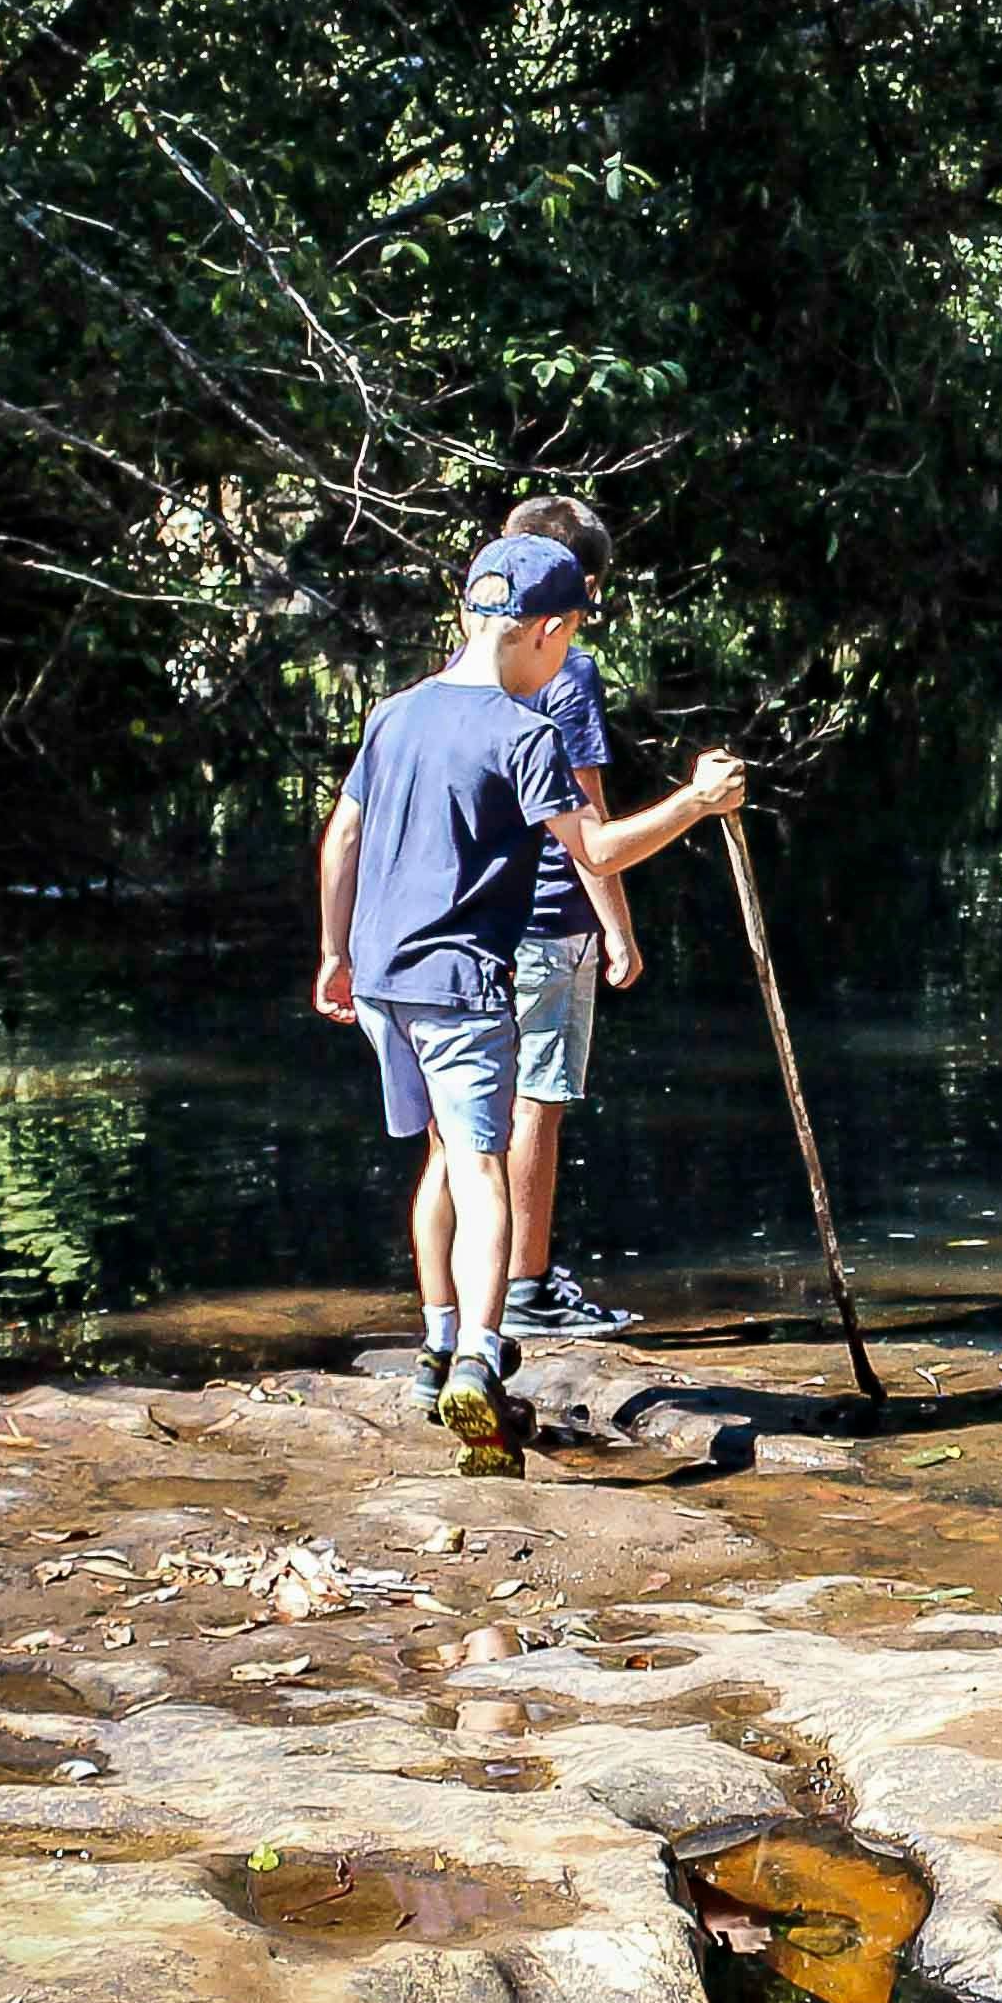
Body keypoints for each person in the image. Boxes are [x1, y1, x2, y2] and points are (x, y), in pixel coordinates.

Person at [315, 534, 745, 1468]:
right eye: (570, 636)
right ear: (547, 631)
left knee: (435, 1159)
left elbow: (342, 836)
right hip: (463, 980)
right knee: (484, 1168)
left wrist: (333, 951)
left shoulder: (395, 713)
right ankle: (478, 1356)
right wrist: (696, 803)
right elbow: (593, 850)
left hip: (384, 977)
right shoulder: (525, 733)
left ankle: (434, 1345)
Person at [497, 492, 640, 1340]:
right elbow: (589, 823)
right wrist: (617, 930)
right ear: (580, 587)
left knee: (471, 1115)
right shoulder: (567, 670)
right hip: (550, 916)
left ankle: (464, 1299)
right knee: (538, 1102)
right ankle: (529, 1285)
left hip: (474, 920)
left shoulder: (469, 659)